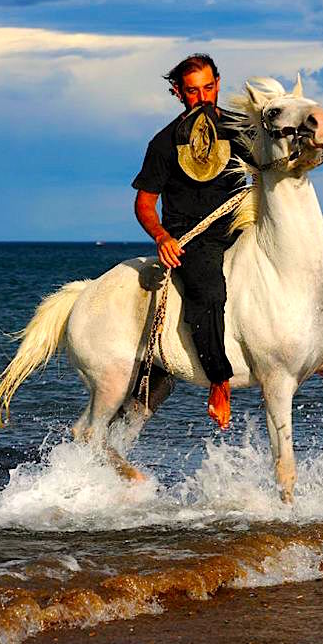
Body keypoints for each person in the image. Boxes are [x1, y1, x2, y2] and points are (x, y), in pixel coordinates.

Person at [132, 54, 247, 430]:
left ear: (218, 84)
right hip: (191, 236)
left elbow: (271, 165)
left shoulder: (239, 128)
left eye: (209, 88)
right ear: (178, 93)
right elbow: (145, 202)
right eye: (192, 91)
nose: (203, 98)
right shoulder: (164, 143)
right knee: (209, 291)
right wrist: (162, 237)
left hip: (238, 224)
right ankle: (218, 380)